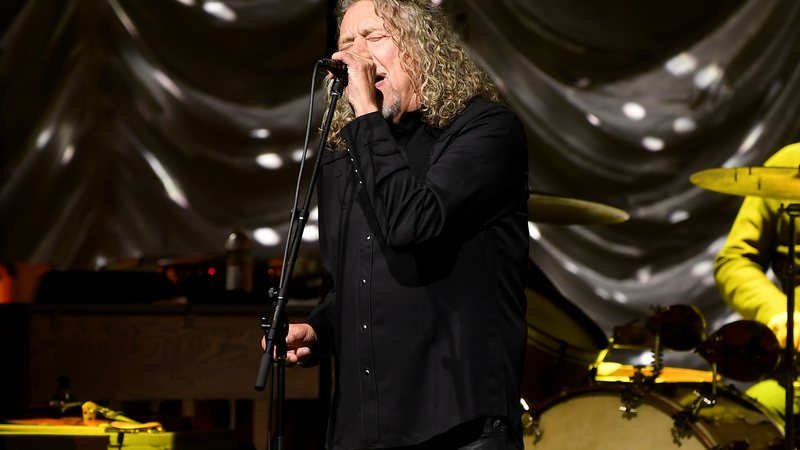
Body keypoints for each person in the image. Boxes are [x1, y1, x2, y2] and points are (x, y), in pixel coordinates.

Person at [262, 0, 530, 448]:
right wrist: (320, 329)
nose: (356, 56)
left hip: (457, 427)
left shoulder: (485, 131)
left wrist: (366, 116)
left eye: (374, 37)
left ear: (422, 45)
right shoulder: (343, 155)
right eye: (347, 43)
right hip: (363, 427)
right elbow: (355, 279)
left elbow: (411, 225)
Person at [714, 141, 800, 419]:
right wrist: (776, 310)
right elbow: (735, 260)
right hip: (796, 374)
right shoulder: (790, 163)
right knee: (741, 423)